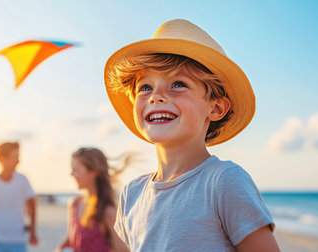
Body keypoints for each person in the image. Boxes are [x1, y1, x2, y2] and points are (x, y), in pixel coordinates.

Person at [104, 19, 280, 251]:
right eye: (145, 87)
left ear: (215, 108)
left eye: (178, 84)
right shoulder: (131, 194)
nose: (156, 96)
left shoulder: (224, 182)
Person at [56, 147, 131, 252]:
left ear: (94, 171)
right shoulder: (74, 204)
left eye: (75, 170)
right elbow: (70, 240)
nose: (71, 174)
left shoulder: (107, 212)